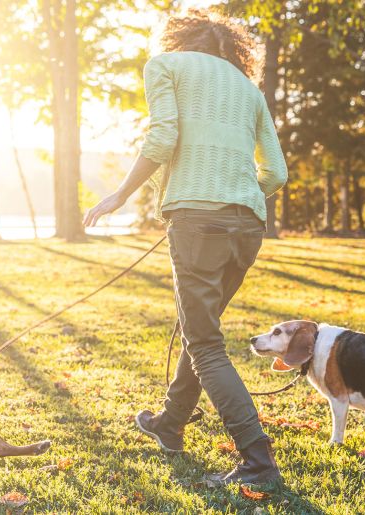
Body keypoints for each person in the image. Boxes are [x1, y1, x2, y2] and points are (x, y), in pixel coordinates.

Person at [83, 9, 287, 485]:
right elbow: (275, 173)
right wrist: (239, 195)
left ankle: (258, 461)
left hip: (197, 222)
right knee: (202, 331)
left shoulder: (165, 65)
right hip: (248, 223)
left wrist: (121, 194)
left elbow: (164, 136)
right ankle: (169, 426)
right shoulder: (248, 89)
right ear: (232, 49)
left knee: (205, 344)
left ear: (182, 39)